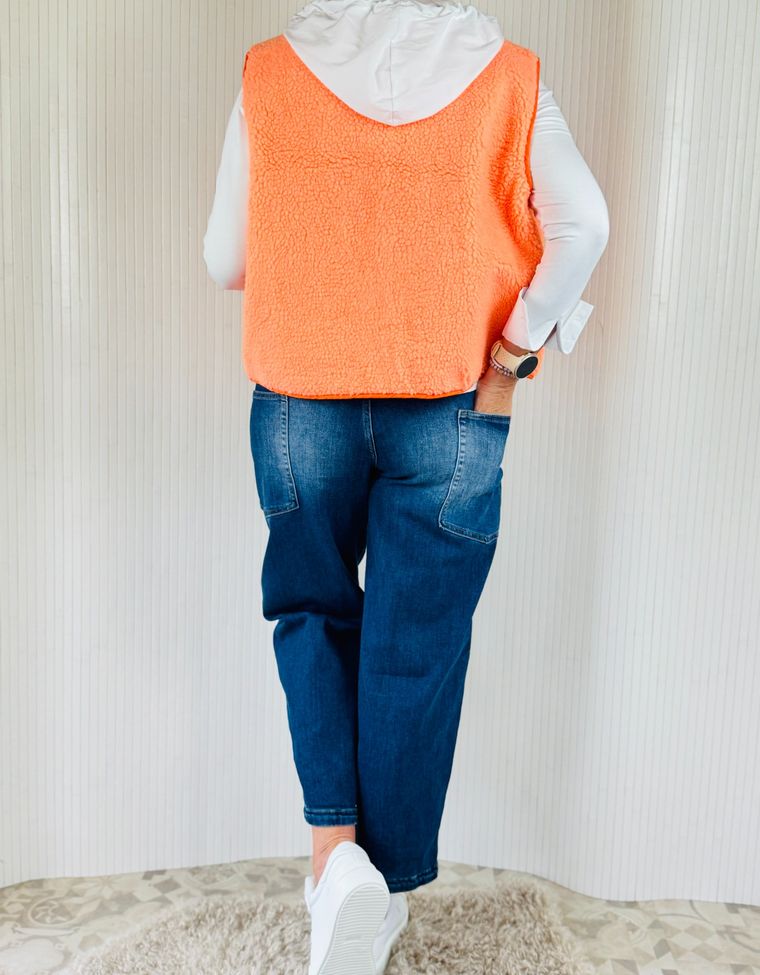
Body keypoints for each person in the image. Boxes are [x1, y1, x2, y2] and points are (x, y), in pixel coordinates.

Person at [204, 1, 609, 972]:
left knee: (311, 613)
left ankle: (333, 865)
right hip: (451, 401)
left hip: (302, 401)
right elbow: (584, 223)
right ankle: (374, 890)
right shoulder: (510, 75)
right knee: (416, 641)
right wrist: (513, 353)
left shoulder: (271, 70)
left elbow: (225, 260)